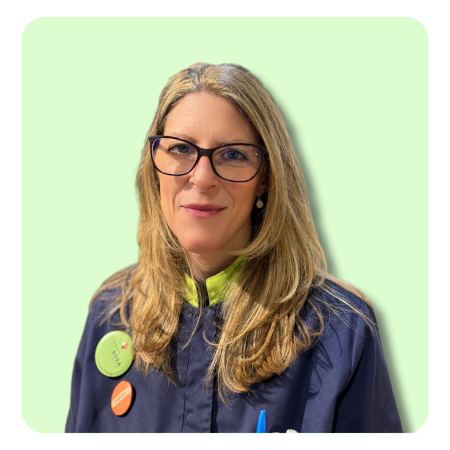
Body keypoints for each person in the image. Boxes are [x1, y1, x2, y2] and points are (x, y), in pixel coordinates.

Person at [66, 62, 402, 433]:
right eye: (180, 148)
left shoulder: (342, 332)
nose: (202, 178)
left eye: (233, 155)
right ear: (154, 167)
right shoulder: (110, 315)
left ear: (266, 178)